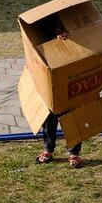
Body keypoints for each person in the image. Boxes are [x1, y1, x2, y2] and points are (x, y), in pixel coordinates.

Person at [35, 22, 84, 168]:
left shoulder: (72, 28)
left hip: (70, 80)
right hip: (51, 80)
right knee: (49, 117)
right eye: (59, 31)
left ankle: (74, 153)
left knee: (72, 117)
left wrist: (67, 35)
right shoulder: (43, 28)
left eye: (62, 31)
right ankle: (48, 150)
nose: (61, 33)